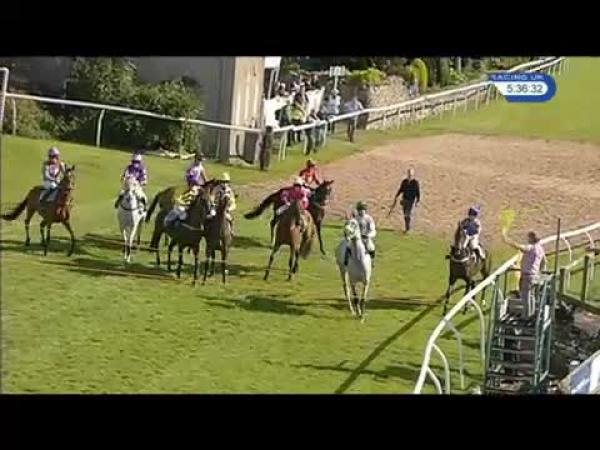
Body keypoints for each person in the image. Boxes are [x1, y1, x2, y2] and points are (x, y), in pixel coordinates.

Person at [503, 231, 546, 320]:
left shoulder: (531, 247)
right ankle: (531, 314)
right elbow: (544, 262)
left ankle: (526, 317)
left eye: (529, 237)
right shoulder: (541, 249)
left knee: (525, 297)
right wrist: (539, 272)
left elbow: (520, 247)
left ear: (532, 238)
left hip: (527, 276)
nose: (527, 239)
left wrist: (508, 241)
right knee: (531, 295)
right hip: (534, 276)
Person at [344, 201, 376, 266]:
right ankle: (346, 261)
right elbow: (351, 228)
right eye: (359, 210)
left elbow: (373, 230)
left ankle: (372, 261)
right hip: (356, 237)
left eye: (362, 209)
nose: (361, 211)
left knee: (371, 247)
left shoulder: (369, 219)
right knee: (348, 246)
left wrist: (368, 236)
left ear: (365, 210)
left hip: (365, 238)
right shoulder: (355, 219)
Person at [392, 167, 420, 233]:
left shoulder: (415, 183)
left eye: (411, 174)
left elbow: (417, 192)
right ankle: (407, 227)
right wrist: (396, 196)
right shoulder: (404, 182)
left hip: (411, 200)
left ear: (413, 174)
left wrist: (417, 201)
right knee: (405, 214)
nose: (410, 175)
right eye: (409, 173)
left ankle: (408, 228)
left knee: (408, 213)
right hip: (404, 199)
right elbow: (401, 189)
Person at [211, 172, 237, 237]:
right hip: (216, 208)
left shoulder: (229, 191)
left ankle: (231, 230)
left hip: (225, 209)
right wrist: (213, 205)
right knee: (211, 215)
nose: (225, 184)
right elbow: (212, 198)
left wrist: (229, 209)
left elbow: (233, 202)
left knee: (230, 218)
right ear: (220, 182)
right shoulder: (216, 189)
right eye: (223, 182)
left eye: (226, 182)